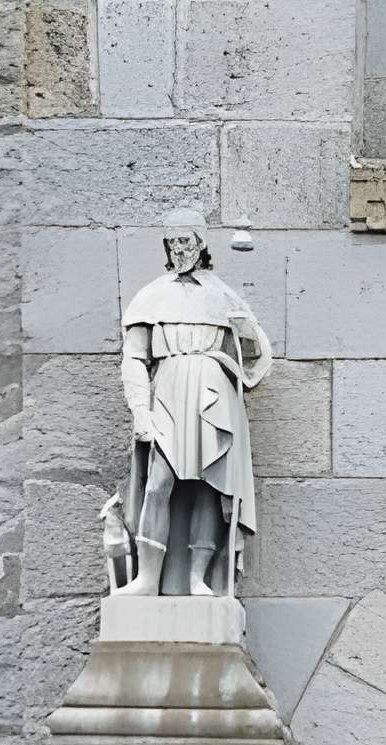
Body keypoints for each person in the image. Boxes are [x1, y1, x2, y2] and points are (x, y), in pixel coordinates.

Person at [110, 212, 273, 597]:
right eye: (172, 242)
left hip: (213, 394)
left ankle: (198, 577)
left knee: (207, 486)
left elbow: (256, 357)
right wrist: (141, 412)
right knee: (158, 483)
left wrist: (246, 336)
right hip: (168, 391)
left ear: (201, 244)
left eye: (185, 241)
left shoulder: (224, 295)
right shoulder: (152, 295)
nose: (178, 249)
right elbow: (134, 358)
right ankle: (148, 579)